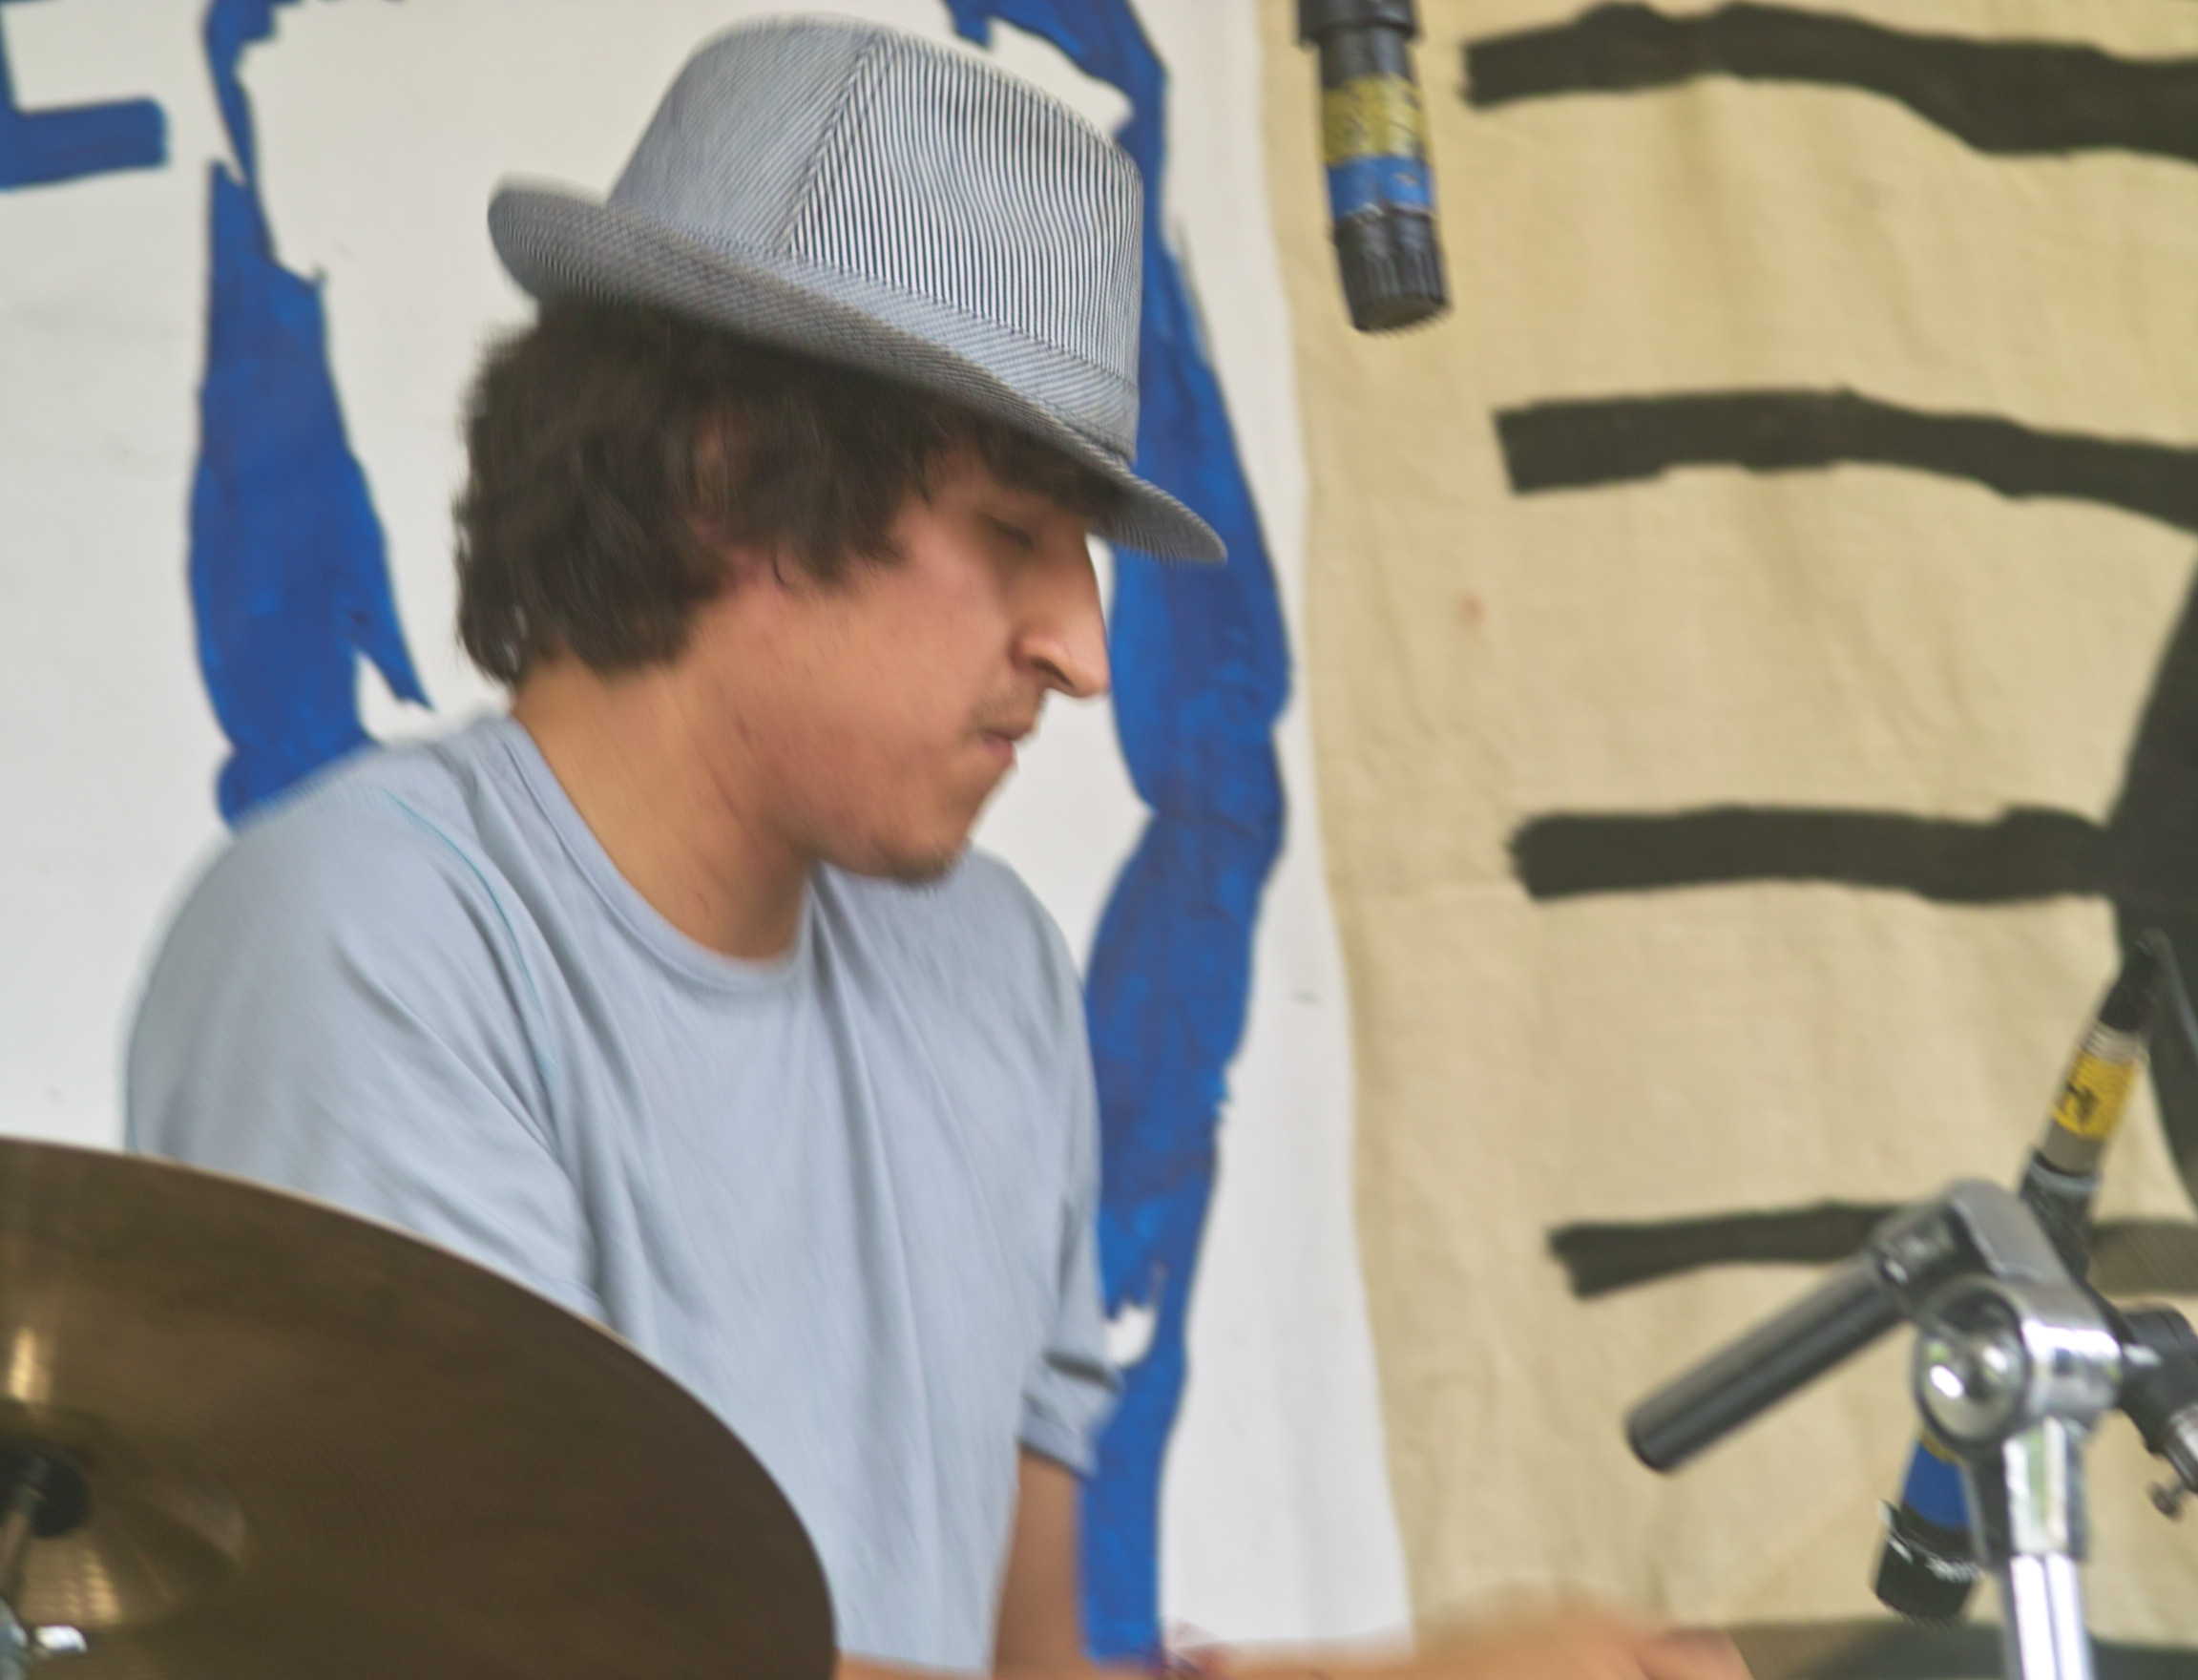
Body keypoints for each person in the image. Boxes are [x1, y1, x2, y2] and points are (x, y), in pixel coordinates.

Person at [126, 17, 1750, 1680]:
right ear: (726, 483)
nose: (1085, 651)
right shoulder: (364, 941)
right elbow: (519, 1656)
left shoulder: (997, 972)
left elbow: (1028, 1666)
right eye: (1016, 533)